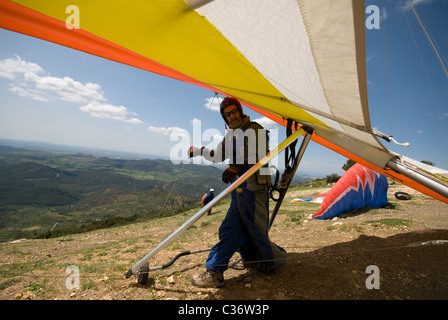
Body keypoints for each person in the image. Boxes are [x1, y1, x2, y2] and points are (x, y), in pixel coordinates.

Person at [188, 97, 286, 288]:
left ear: (240, 111)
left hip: (253, 189)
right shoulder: (232, 135)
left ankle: (216, 271)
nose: (231, 116)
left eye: (234, 112)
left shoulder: (254, 129)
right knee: (245, 228)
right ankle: (256, 260)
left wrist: (238, 167)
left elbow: (259, 156)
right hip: (240, 189)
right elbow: (217, 156)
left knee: (233, 228)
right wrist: (199, 150)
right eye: (227, 114)